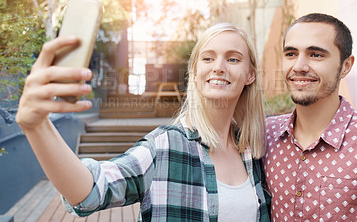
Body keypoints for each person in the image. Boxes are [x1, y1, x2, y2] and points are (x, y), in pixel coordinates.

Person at [16, 23, 270, 221]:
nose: (218, 67)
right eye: (207, 58)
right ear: (195, 72)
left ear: (250, 75)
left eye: (233, 59)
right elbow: (90, 190)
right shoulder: (165, 146)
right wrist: (36, 126)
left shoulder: (255, 152)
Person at [264, 13, 357, 221]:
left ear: (346, 66)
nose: (299, 66)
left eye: (316, 55)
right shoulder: (265, 135)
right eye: (291, 54)